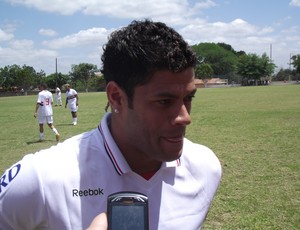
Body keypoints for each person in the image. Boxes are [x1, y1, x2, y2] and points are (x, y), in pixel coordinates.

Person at [0, 20, 222, 230]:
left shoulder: (205, 168)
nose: (185, 117)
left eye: (188, 98)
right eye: (164, 102)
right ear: (116, 97)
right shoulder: (41, 178)